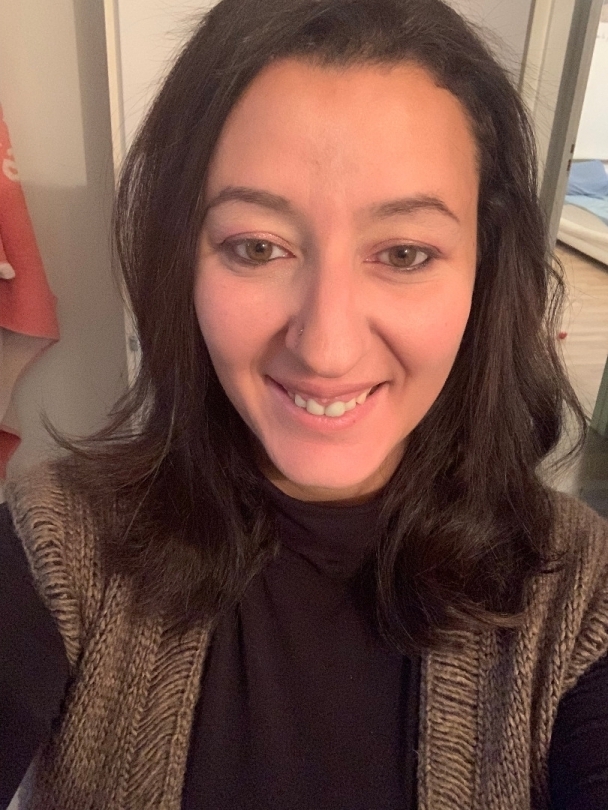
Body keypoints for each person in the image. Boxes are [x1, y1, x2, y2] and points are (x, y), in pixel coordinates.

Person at [1, 0, 608, 807]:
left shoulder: (577, 593)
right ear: (182, 258)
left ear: (484, 272)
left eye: (404, 253)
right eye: (258, 247)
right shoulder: (58, 547)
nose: (326, 347)